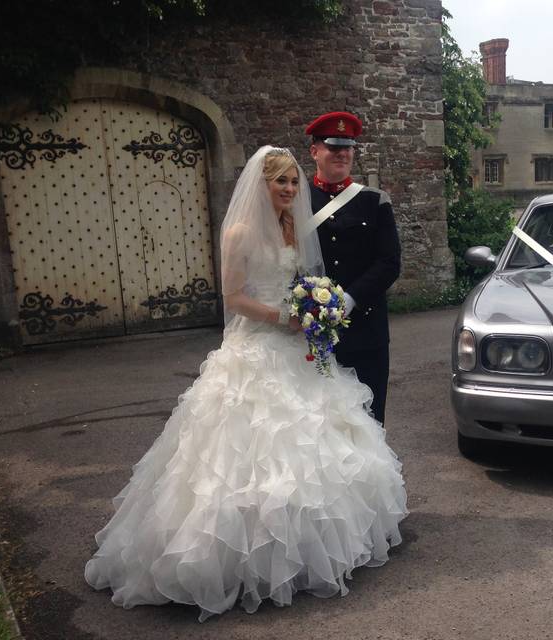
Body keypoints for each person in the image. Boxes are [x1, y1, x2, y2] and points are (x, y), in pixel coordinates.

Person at [84, 146, 407, 622]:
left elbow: (307, 279)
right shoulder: (238, 233)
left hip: (295, 348)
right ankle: (236, 557)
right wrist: (283, 317)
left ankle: (307, 548)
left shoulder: (294, 228)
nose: (290, 191)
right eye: (281, 183)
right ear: (262, 185)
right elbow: (232, 297)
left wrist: (310, 310)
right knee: (243, 456)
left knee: (315, 445)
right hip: (256, 346)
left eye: (294, 184)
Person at [306, 112, 401, 425]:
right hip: (313, 335)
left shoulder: (374, 201)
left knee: (368, 422)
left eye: (347, 147)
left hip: (366, 334)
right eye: (333, 146)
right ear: (315, 151)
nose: (342, 153)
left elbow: (389, 262)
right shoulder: (299, 200)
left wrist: (351, 298)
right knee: (319, 426)